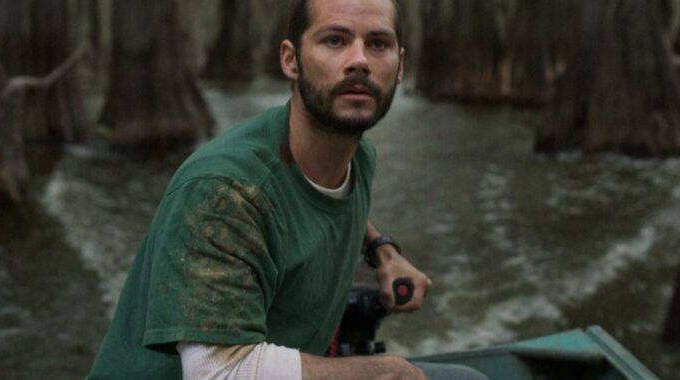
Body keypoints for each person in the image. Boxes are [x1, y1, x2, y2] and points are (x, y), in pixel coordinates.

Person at [88, 0, 488, 379]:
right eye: (335, 40)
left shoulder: (356, 155)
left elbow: (320, 198)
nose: (360, 61)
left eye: (378, 44)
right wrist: (383, 371)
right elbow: (218, 371)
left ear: (399, 65)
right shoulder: (223, 192)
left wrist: (382, 250)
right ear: (290, 59)